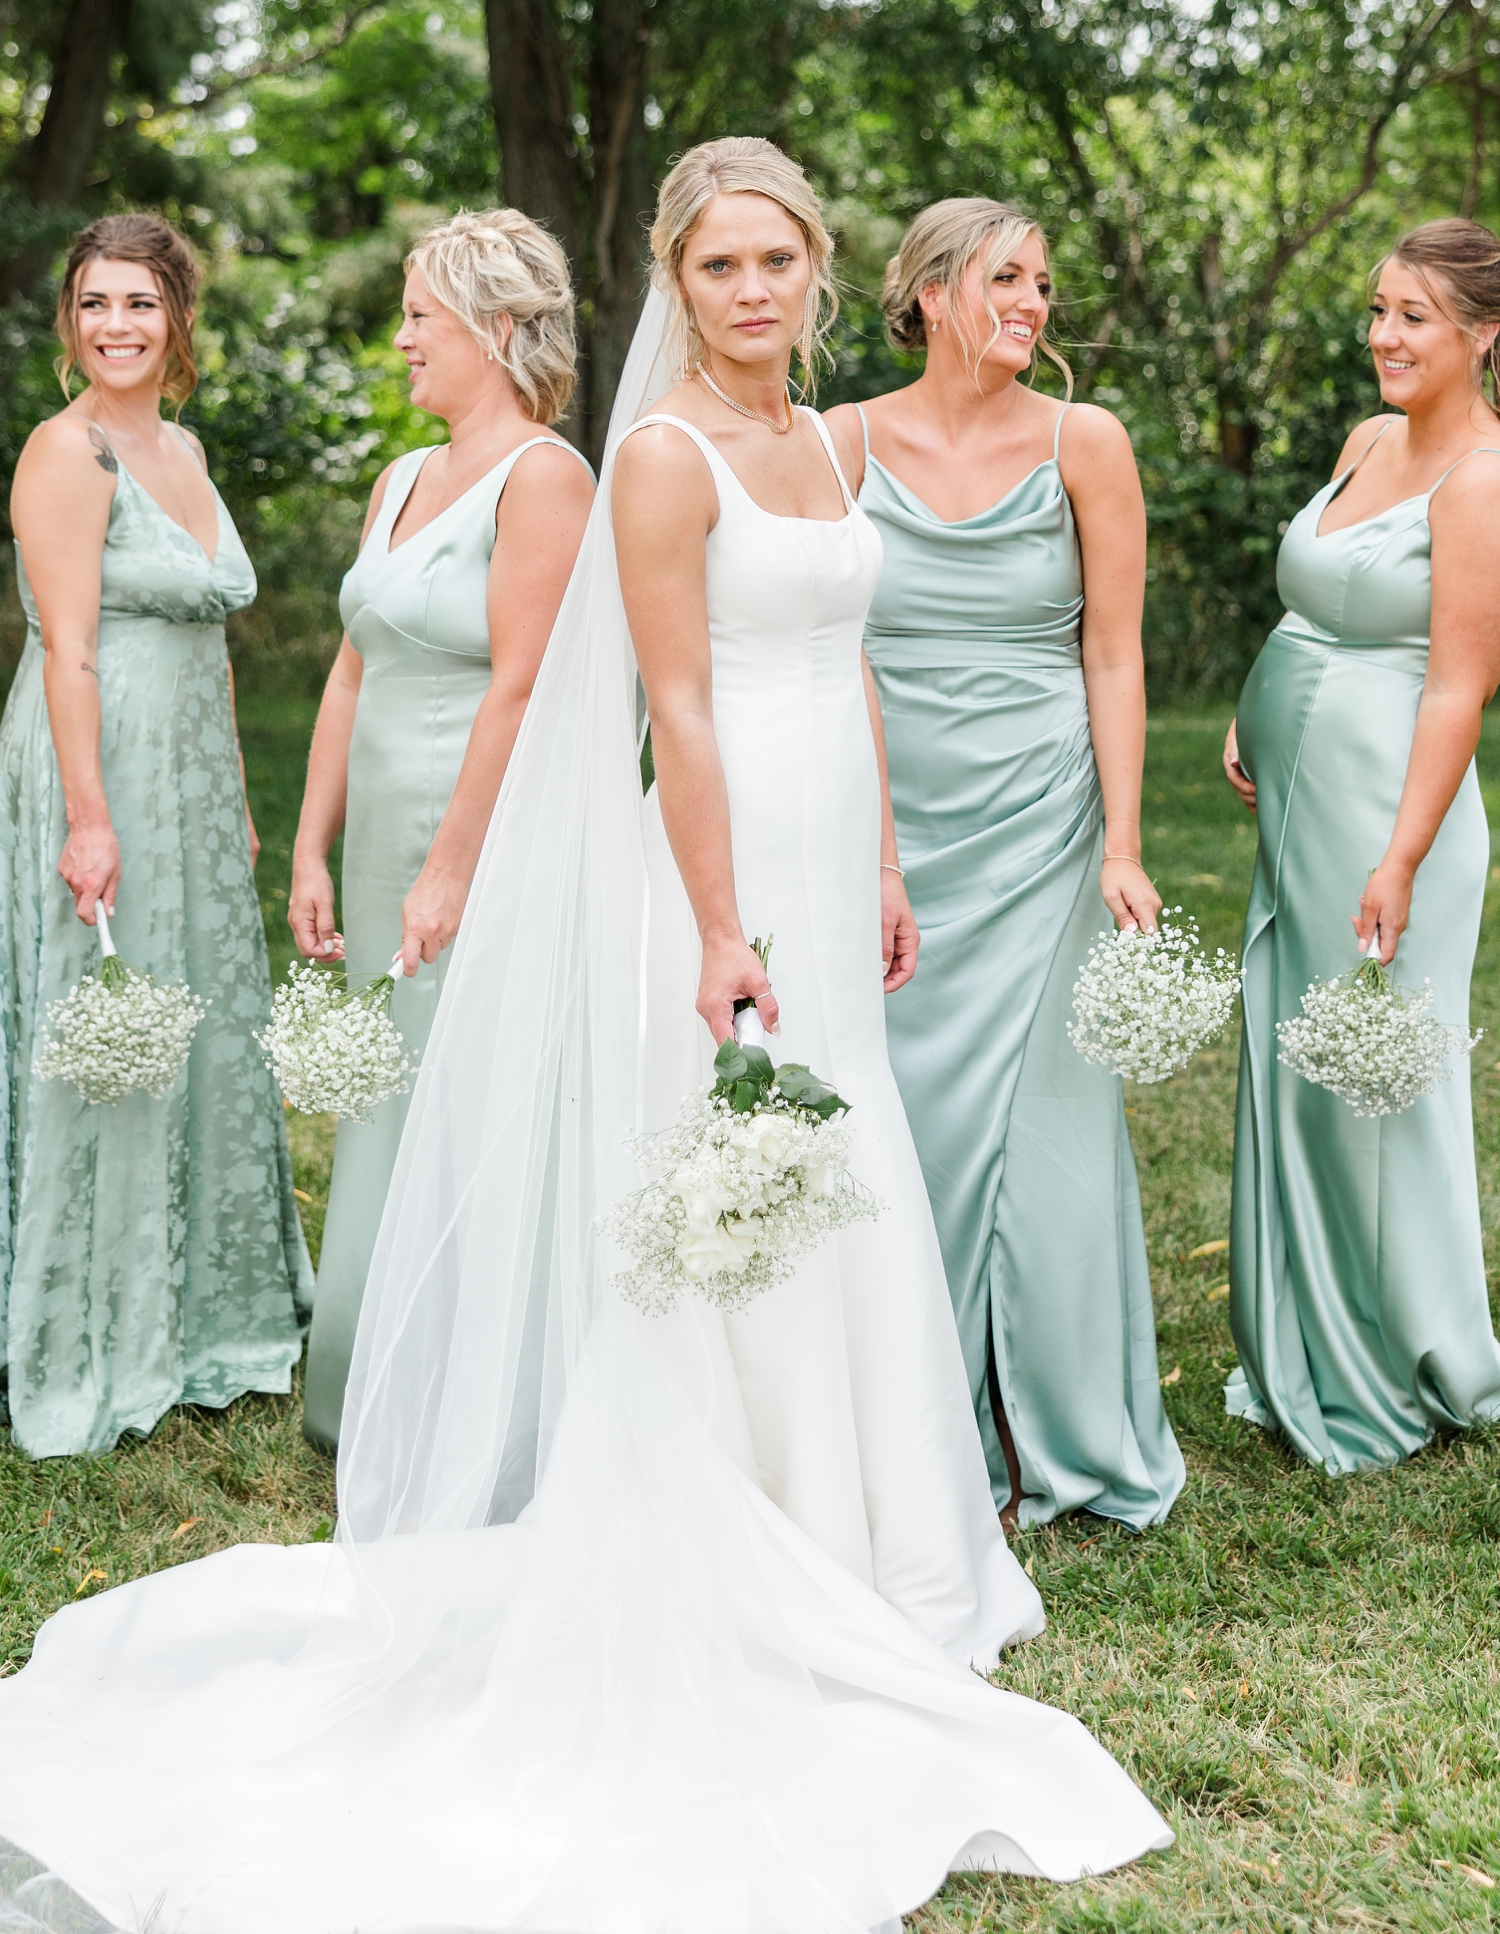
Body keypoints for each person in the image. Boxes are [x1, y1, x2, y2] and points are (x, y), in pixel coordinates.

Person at [0, 142, 1170, 1928]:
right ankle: (744, 1534)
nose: (754, 290)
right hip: (716, 862)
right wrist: (716, 923)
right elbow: (677, 696)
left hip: (828, 835)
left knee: (840, 1167)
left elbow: (842, 645)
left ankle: (871, 1532)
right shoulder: (659, 455)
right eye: (718, 268)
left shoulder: (818, 445)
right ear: (674, 286)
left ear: (824, 271)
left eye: (779, 259)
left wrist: (878, 857)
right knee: (737, 1176)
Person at [825, 199, 1184, 1531]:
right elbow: (821, 638)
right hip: (887, 819)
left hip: (1045, 820)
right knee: (902, 1118)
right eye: (1002, 278)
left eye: (1042, 280)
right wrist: (855, 839)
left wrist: (1127, 842)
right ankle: (908, 1422)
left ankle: (1062, 1428)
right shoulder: (841, 441)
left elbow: (1112, 649)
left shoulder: (1083, 441)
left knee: (1049, 1146)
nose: (1031, 301)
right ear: (925, 293)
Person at [0, 212, 312, 1459]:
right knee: (107, 1027)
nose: (115, 325)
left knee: (196, 1019)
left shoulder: (178, 445)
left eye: (139, 302)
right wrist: (90, 817)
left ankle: (200, 1313)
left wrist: (231, 787)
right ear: (69, 324)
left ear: (177, 318)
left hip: (186, 774)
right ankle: (94, 1327)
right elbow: (67, 644)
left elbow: (213, 640)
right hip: (100, 760)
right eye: (94, 304)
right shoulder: (65, 452)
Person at [290, 208, 593, 1451]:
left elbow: (522, 686)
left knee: (473, 1092)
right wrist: (313, 845)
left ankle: (475, 1399)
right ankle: (371, 1369)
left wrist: (450, 869)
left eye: (422, 314)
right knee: (389, 1093)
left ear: (498, 326)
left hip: (482, 839)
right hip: (379, 846)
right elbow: (352, 670)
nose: (403, 337)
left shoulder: (549, 477)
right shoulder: (400, 479)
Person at [1222, 218, 1500, 1473]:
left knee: (1381, 1084)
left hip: (1394, 810)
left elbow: (1457, 685)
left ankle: (1417, 1353)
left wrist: (1398, 860)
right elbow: (1313, 599)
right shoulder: (1368, 440)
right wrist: (1245, 706)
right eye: (1379, 310)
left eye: (1414, 318)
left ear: (1484, 337)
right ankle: (1307, 1329)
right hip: (1296, 792)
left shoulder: (1485, 478)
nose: (1384, 336)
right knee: (1296, 1058)